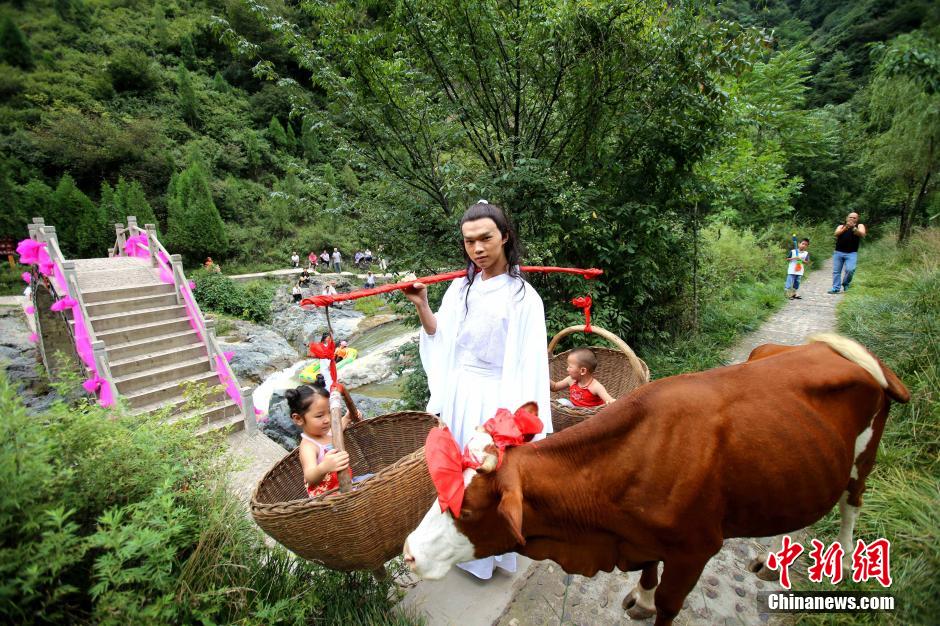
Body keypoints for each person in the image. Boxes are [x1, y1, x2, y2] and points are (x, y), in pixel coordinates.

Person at [404, 200, 552, 580]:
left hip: (497, 396)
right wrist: (422, 304)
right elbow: (442, 338)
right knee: (456, 474)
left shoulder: (524, 298)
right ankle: (455, 551)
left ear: (504, 236)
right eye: (469, 242)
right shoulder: (459, 289)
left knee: (487, 477)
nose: (478, 249)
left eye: (486, 238)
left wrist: (513, 419)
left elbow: (529, 363)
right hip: (460, 391)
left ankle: (492, 553)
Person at [286, 377, 356, 498]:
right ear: (298, 418)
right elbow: (310, 476)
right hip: (328, 498)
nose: (327, 419)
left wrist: (348, 417)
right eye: (319, 416)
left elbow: (339, 428)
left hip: (346, 486)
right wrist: (324, 467)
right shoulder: (309, 446)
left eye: (329, 412)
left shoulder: (327, 432)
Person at [550, 347, 615, 407]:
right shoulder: (571, 380)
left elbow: (609, 400)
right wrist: (544, 378)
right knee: (562, 402)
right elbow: (555, 387)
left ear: (583, 371)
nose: (567, 369)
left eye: (570, 367)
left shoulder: (596, 386)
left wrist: (612, 402)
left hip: (592, 416)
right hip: (573, 412)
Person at [830, 212, 866, 294]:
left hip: (851, 253)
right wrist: (846, 227)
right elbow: (836, 234)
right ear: (847, 218)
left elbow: (862, 234)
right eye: (851, 217)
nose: (852, 219)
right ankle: (836, 288)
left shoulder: (860, 226)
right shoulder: (841, 226)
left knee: (850, 270)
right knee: (836, 271)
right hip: (838, 252)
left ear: (857, 219)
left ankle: (846, 283)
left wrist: (853, 228)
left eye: (854, 218)